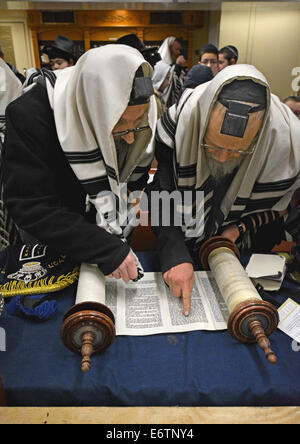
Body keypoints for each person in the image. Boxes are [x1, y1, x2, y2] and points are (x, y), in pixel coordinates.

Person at [150, 64, 300, 315]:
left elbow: (284, 209)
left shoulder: (287, 143)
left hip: (246, 249)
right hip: (182, 240)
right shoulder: (182, 120)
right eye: (212, 146)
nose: (221, 158)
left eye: (237, 151)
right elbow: (160, 192)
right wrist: (173, 251)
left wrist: (239, 229)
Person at [3, 45, 158, 283]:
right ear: (92, 110)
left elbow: (131, 184)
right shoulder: (29, 114)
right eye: (120, 125)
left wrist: (116, 237)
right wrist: (103, 247)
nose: (130, 138)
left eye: (137, 123)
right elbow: (30, 205)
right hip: (52, 238)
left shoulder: (141, 117)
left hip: (107, 232)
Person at [157, 36, 187, 106]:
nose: (178, 52)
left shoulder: (174, 63)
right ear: (169, 49)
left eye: (179, 50)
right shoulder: (160, 64)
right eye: (176, 49)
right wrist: (177, 67)